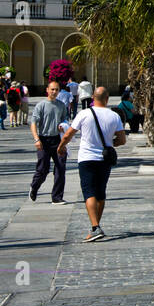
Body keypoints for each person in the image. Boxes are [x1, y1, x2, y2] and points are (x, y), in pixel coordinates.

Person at [58, 85, 125, 242]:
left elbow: (68, 133)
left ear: (93, 99)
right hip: (104, 159)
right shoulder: (114, 116)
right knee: (101, 193)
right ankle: (96, 225)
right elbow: (122, 140)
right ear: (107, 99)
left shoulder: (84, 114)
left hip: (87, 158)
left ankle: (95, 227)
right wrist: (108, 145)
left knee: (89, 192)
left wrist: (61, 146)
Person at [29, 82, 70, 204]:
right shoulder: (41, 105)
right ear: (47, 90)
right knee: (43, 169)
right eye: (52, 89)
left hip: (58, 140)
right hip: (44, 140)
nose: (54, 92)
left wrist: (63, 126)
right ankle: (34, 186)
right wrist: (36, 139)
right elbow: (33, 123)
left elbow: (64, 119)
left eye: (56, 90)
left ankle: (57, 197)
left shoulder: (61, 105)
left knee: (60, 168)